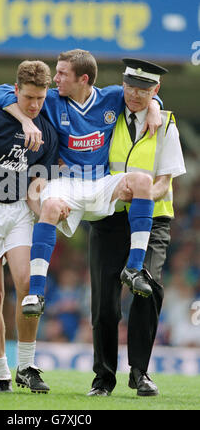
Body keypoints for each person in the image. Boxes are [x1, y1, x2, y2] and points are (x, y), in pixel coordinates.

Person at [0, 49, 163, 318]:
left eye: (61, 73)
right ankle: (36, 294)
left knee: (142, 181)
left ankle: (134, 268)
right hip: (66, 183)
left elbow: (144, 93)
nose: (54, 78)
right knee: (48, 208)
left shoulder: (111, 97)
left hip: (100, 181)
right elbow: (1, 92)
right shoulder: (50, 100)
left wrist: (154, 107)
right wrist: (26, 121)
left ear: (83, 79)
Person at [88, 58, 186, 397]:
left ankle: (140, 373)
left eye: (144, 90)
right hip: (109, 218)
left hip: (153, 218)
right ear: (122, 84)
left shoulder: (167, 124)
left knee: (148, 288)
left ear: (155, 90)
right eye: (130, 86)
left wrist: (142, 194)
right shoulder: (106, 116)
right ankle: (103, 378)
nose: (134, 94)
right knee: (104, 303)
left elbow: (164, 182)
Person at [0, 60, 60, 394]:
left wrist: (42, 208)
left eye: (40, 99)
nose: (34, 105)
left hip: (18, 211)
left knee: (26, 283)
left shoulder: (47, 131)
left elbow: (37, 182)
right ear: (15, 91)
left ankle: (27, 366)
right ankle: (0, 372)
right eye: (28, 97)